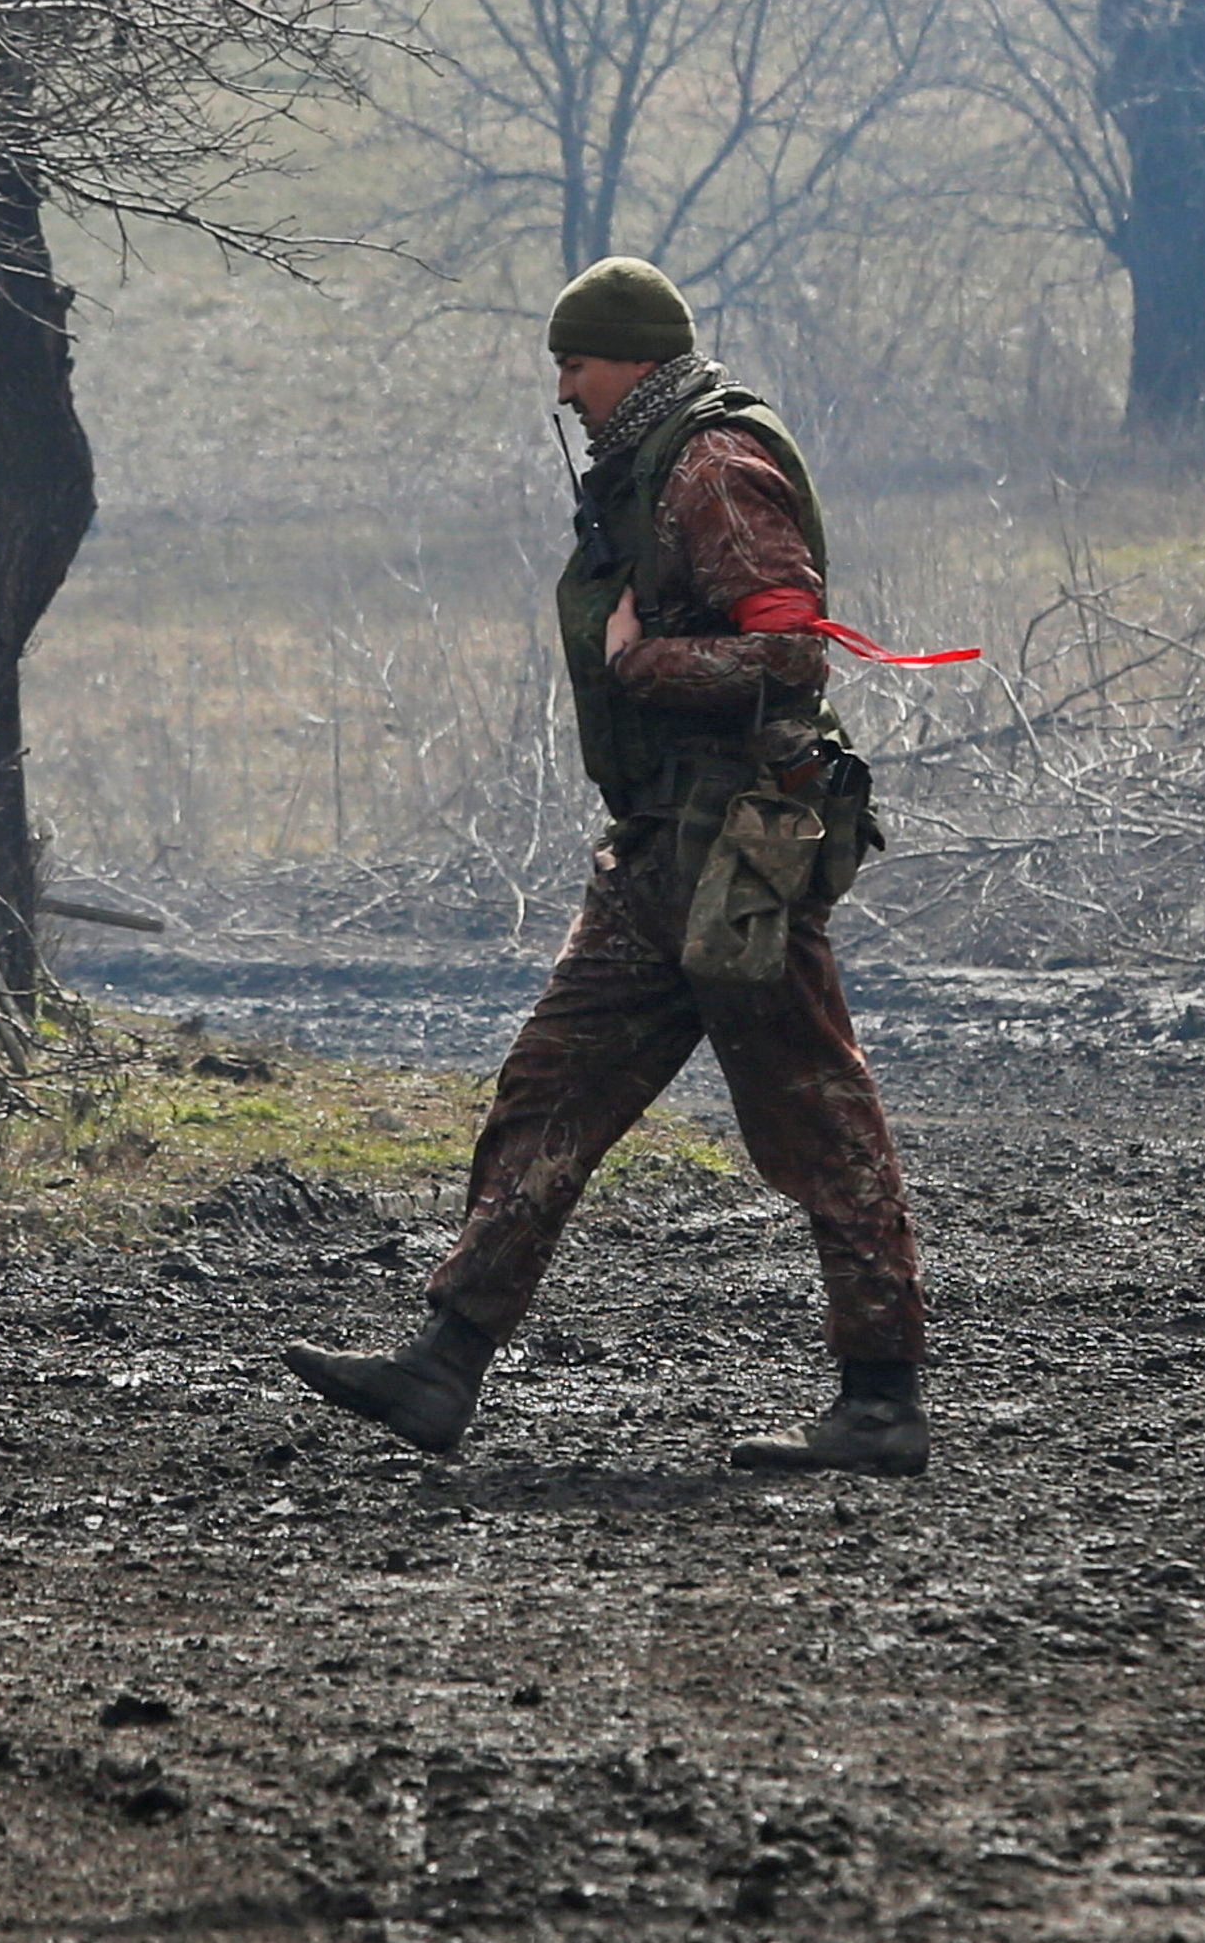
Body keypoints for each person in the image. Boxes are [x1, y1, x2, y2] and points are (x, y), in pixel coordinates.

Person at [286, 259, 939, 1474]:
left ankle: (882, 1397)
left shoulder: (713, 470)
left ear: (631, 358)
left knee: (814, 1110)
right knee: (550, 1088)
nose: (564, 387)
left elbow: (792, 657)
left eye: (574, 362)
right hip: (661, 846)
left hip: (740, 847)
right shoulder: (654, 463)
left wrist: (645, 666)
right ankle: (441, 1365)